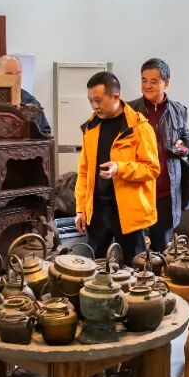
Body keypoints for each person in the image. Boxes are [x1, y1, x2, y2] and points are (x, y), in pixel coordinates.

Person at [74, 71, 160, 262]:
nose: (94, 106)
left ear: (115, 97)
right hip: (97, 212)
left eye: (98, 100)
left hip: (128, 214)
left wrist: (120, 168)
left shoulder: (138, 127)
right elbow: (84, 171)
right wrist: (81, 209)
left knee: (135, 268)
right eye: (90, 101)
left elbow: (151, 169)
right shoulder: (91, 128)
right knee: (94, 267)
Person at [128, 58, 189, 252]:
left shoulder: (178, 110)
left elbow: (187, 140)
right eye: (144, 80)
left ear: (167, 83)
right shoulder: (129, 110)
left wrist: (175, 149)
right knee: (136, 248)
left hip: (166, 191)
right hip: (138, 189)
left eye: (153, 81)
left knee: (162, 248)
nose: (147, 86)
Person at [0, 54, 52, 136]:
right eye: (8, 74)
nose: (15, 78)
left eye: (18, 74)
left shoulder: (30, 101)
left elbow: (45, 133)